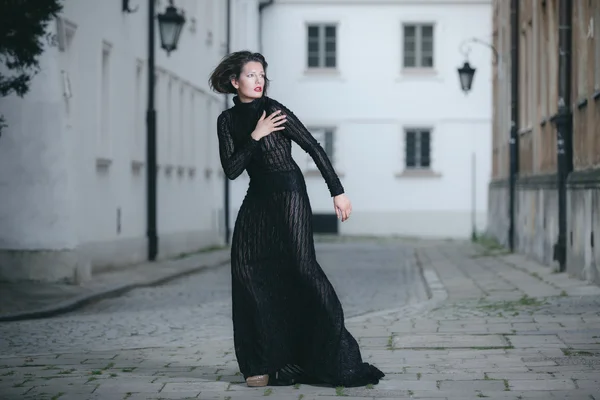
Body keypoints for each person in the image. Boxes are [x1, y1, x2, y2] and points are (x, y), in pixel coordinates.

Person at [208, 51, 384, 388]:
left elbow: (313, 147)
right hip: (258, 198)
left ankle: (336, 351)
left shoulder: (276, 110)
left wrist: (338, 191)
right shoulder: (227, 122)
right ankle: (260, 364)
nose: (259, 81)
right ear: (235, 81)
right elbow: (232, 170)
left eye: (262, 75)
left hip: (290, 195)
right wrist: (256, 136)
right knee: (245, 269)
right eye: (251, 75)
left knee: (302, 268)